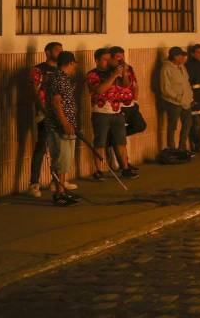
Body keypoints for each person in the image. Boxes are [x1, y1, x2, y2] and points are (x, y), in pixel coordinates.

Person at [85, 47, 129, 181]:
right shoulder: (92, 74)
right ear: (97, 60)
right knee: (100, 142)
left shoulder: (113, 71)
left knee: (121, 141)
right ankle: (98, 170)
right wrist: (114, 75)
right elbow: (100, 90)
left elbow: (126, 85)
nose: (108, 62)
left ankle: (125, 168)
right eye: (105, 60)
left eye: (109, 59)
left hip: (117, 112)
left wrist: (124, 72)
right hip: (101, 113)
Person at [27, 41, 64, 197]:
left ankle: (57, 181)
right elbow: (34, 92)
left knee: (59, 148)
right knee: (42, 147)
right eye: (57, 50)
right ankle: (34, 184)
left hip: (59, 113)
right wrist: (43, 110)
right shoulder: (38, 70)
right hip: (44, 114)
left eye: (62, 50)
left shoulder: (61, 69)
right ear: (47, 52)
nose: (60, 53)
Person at [44, 52, 80, 206]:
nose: (75, 67)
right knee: (61, 158)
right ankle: (59, 193)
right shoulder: (58, 78)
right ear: (70, 63)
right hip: (59, 127)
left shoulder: (64, 78)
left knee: (65, 160)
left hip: (68, 125)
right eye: (74, 64)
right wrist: (64, 122)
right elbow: (56, 102)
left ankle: (62, 190)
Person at [107, 46, 141, 176]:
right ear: (111, 59)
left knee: (140, 125)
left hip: (131, 104)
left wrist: (136, 100)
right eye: (118, 58)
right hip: (118, 106)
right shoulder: (111, 71)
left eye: (122, 57)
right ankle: (124, 163)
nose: (121, 60)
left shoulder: (128, 68)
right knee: (119, 136)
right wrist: (119, 72)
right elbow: (121, 84)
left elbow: (131, 84)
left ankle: (112, 139)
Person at [159, 46, 193, 152]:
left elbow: (186, 83)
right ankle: (172, 149)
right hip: (173, 103)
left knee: (187, 124)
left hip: (186, 102)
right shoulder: (166, 68)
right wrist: (177, 97)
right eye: (181, 56)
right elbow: (165, 88)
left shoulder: (182, 67)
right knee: (172, 127)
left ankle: (182, 148)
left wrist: (190, 96)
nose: (183, 58)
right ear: (175, 57)